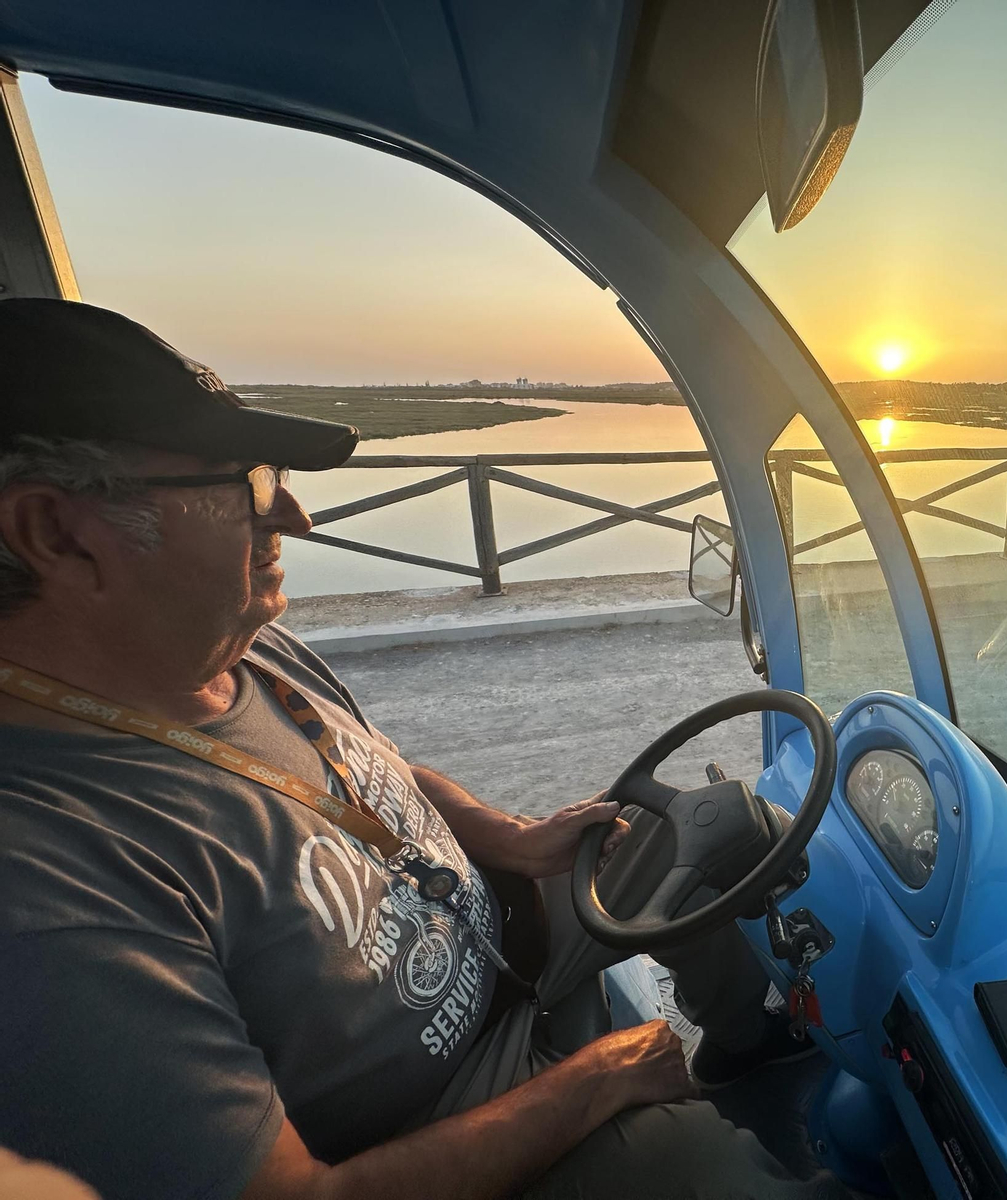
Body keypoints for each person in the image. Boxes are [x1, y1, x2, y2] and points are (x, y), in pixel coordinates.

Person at [0, 300, 847, 1200]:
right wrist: (596, 1081)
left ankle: (743, 1048)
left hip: (507, 940)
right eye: (245, 483)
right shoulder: (47, 893)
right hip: (450, 1120)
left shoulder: (248, 651)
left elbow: (376, 773)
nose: (294, 516)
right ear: (58, 533)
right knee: (716, 1171)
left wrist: (508, 836)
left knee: (706, 826)